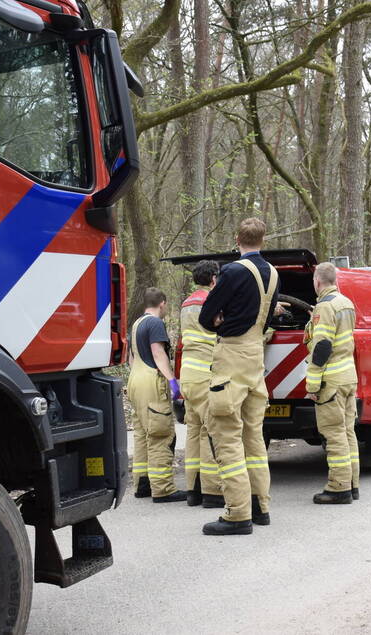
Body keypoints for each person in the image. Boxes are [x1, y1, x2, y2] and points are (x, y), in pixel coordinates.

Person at [198, 218, 280, 535]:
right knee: (253, 439)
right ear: (263, 239)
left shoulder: (232, 271)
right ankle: (261, 506)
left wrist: (220, 320)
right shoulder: (273, 274)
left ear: (237, 239)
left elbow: (207, 316)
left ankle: (237, 514)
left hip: (231, 357)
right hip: (255, 361)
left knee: (227, 438)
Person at [304, 262, 360, 504]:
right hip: (348, 377)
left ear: (317, 281)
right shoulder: (347, 303)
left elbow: (322, 347)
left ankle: (338, 488)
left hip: (332, 382)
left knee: (334, 434)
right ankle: (352, 484)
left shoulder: (324, 306)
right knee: (348, 433)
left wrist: (312, 386)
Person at [127, 287, 186, 502]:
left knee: (142, 434)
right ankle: (163, 489)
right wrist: (172, 382)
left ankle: (142, 484)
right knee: (161, 434)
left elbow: (131, 358)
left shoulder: (136, 324)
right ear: (162, 303)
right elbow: (158, 352)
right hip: (151, 381)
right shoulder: (154, 323)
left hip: (135, 380)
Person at [179, 260, 225, 508]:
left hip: (188, 375)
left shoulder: (186, 303)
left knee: (194, 433)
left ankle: (192, 490)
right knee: (212, 431)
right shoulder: (212, 301)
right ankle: (213, 492)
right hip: (206, 374)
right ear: (214, 279)